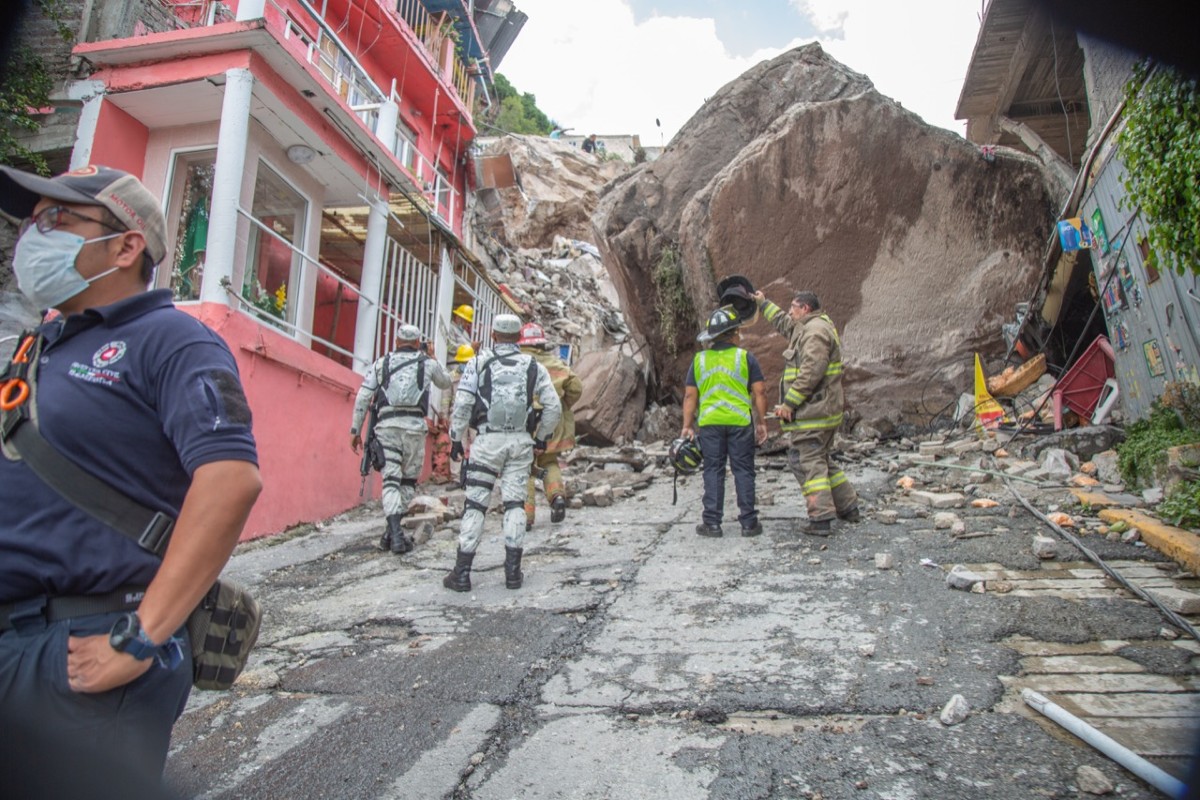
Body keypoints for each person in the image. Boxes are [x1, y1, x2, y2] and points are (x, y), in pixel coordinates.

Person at [0, 165, 262, 778]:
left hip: (79, 642)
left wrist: (142, 635)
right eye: (32, 221)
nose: (32, 238)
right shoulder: (38, 344)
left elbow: (230, 479)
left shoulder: (171, 340)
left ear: (125, 246)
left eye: (56, 221)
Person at [443, 314, 561, 592]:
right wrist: (541, 438)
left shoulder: (477, 362)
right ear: (519, 337)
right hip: (520, 443)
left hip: (487, 442)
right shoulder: (534, 366)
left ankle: (461, 573)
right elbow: (553, 408)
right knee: (514, 505)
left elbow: (462, 405)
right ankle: (513, 574)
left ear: (493, 336)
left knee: (475, 504)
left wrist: (456, 439)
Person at [753, 289, 859, 535]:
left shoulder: (815, 333)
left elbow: (812, 371)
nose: (790, 311)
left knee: (806, 461)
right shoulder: (810, 327)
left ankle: (821, 518)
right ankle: (849, 507)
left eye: (793, 307)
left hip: (814, 413)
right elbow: (783, 323)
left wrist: (789, 403)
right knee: (821, 459)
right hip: (821, 411)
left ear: (806, 309)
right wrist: (762, 303)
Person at [350, 324, 450, 553]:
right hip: (414, 429)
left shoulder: (381, 363)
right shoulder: (427, 363)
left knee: (391, 480)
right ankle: (395, 534)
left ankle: (391, 533)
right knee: (407, 482)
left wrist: (355, 430)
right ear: (417, 343)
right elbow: (445, 382)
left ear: (396, 341)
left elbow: (364, 395)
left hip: (387, 428)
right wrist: (433, 356)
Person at [681, 307, 768, 537]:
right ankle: (749, 524)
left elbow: (690, 396)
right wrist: (761, 423)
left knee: (713, 470)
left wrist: (687, 425)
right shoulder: (745, 358)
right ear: (733, 334)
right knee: (744, 471)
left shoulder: (699, 360)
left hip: (710, 424)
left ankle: (712, 523)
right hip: (740, 422)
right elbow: (760, 392)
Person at [518, 322, 583, 529]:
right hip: (551, 421)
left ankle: (526, 516)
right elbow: (576, 387)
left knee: (524, 467)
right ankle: (557, 497)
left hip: (523, 423)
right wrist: (564, 404)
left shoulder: (515, 363)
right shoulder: (556, 364)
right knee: (548, 461)